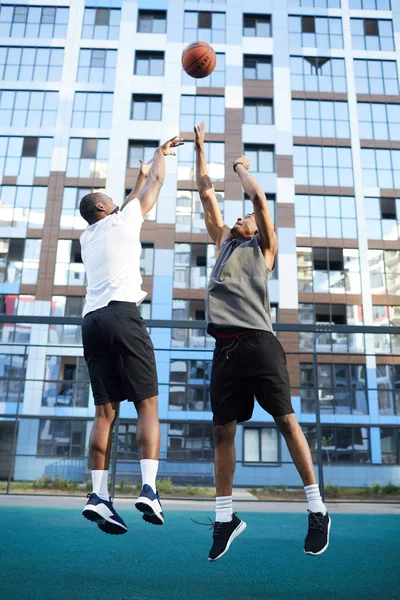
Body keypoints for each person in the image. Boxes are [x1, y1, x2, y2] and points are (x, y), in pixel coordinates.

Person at [194, 121, 330, 561]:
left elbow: (258, 199)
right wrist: (200, 149)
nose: (240, 217)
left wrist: (239, 165)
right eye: (237, 217)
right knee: (221, 431)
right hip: (225, 349)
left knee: (287, 421)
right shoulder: (221, 244)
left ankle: (317, 509)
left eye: (246, 218)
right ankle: (224, 518)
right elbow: (204, 191)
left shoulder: (265, 250)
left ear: (257, 227)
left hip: (260, 344)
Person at [79, 136, 183, 535]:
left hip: (91, 322)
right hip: (123, 314)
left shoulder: (89, 236)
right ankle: (149, 489)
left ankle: (99, 496)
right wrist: (160, 157)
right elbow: (156, 185)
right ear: (106, 209)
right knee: (148, 405)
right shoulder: (123, 220)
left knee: (104, 413)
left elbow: (121, 207)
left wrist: (134, 183)